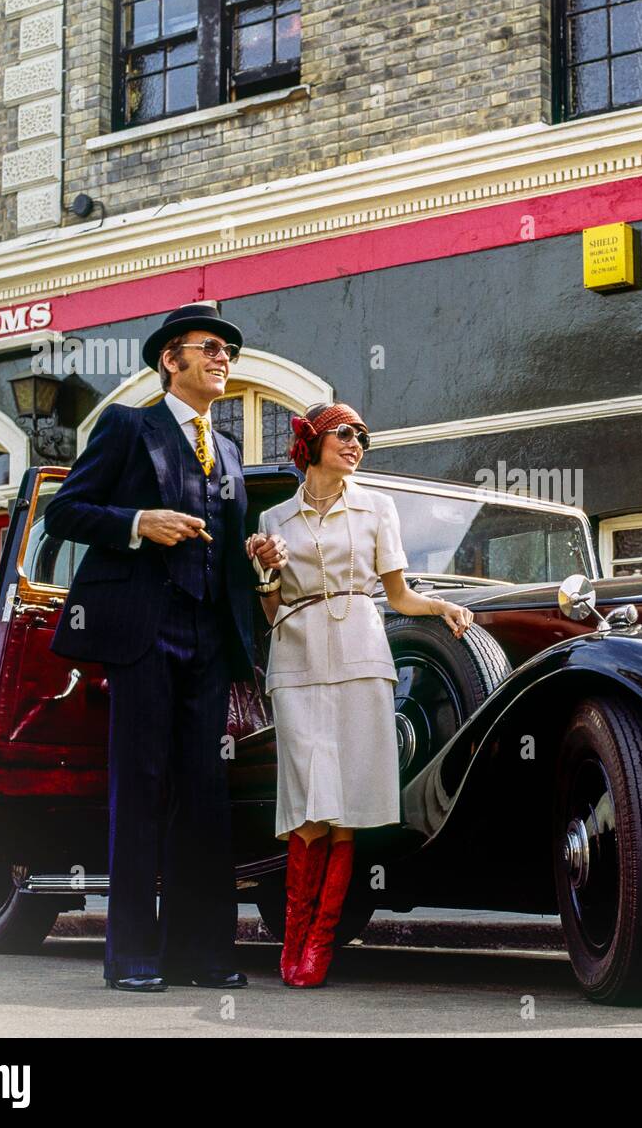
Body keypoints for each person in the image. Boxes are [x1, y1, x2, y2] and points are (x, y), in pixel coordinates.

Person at [46, 301, 287, 992]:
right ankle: (131, 955)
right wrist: (137, 521)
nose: (224, 360)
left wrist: (256, 554)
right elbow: (64, 512)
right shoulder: (129, 427)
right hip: (144, 632)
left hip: (210, 637)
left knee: (205, 796)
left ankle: (204, 953)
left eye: (229, 352)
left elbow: (230, 555)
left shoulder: (233, 451)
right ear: (169, 360)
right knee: (141, 789)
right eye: (210, 347)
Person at [255, 402, 474, 987]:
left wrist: (444, 605)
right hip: (296, 660)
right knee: (307, 808)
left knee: (346, 808)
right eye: (345, 435)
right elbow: (271, 608)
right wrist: (265, 574)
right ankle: (293, 936)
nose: (357, 444)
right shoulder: (275, 521)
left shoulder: (378, 508)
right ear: (312, 442)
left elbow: (399, 596)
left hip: (360, 656)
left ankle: (319, 945)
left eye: (363, 438)